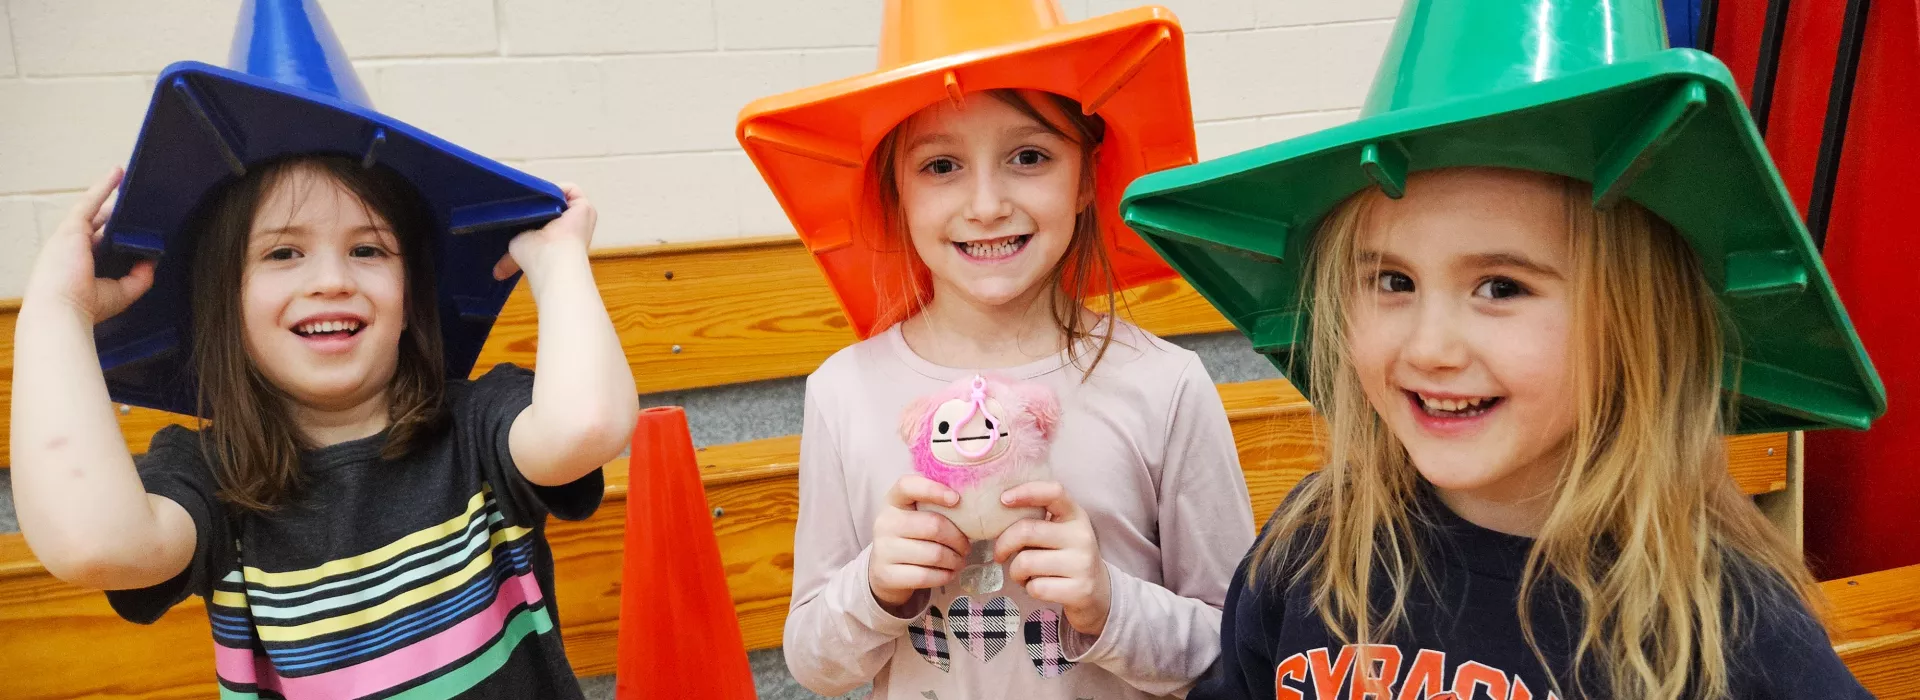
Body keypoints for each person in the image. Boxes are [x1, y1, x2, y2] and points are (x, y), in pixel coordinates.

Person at [1120, 3, 1884, 698]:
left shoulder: (1729, 627)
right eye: (1392, 280)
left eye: (1501, 287)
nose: (1430, 346)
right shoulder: (1312, 545)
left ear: (1638, 326)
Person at [10, 3, 636, 697]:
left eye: (367, 249)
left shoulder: (479, 426)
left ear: (410, 299)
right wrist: (57, 312)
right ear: (228, 308)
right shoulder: (213, 481)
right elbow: (94, 542)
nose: (332, 280)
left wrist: (557, 265)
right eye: (284, 252)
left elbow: (588, 425)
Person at [738, 2, 1253, 698]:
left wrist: (1107, 601)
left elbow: (1240, 646)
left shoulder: (1165, 385)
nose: (985, 205)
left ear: (1084, 180)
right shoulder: (843, 389)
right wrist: (874, 589)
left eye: (1029, 156)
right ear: (896, 191)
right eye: (941, 165)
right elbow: (814, 664)